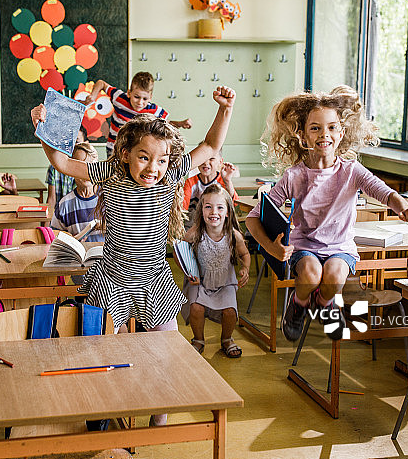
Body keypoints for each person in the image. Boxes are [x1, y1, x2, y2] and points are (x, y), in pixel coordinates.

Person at [32, 86, 235, 426]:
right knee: (103, 347)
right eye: (144, 156)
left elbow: (211, 146)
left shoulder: (170, 174)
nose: (153, 167)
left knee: (165, 348)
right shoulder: (110, 173)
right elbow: (63, 162)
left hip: (154, 275)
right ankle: (104, 412)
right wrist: (44, 129)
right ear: (125, 153)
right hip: (113, 274)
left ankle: (158, 416)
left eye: (161, 159)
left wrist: (225, 109)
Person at [245, 85, 408, 342]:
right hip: (305, 245)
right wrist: (271, 249)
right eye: (315, 128)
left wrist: (403, 206)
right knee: (310, 274)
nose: (324, 134)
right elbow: (253, 218)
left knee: (335, 276)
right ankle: (299, 303)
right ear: (303, 137)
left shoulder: (352, 171)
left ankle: (324, 303)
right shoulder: (294, 176)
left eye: (331, 127)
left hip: (340, 247)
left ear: (341, 133)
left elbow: (383, 192)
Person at [181, 184, 251, 357]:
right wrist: (189, 272)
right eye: (208, 207)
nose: (214, 212)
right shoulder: (196, 232)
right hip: (201, 280)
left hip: (225, 281)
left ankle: (227, 339)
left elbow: (245, 254)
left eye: (220, 207)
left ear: (227, 212)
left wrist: (245, 268)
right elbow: (180, 250)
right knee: (196, 307)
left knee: (230, 312)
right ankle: (198, 339)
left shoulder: (233, 234)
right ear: (201, 211)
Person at [86, 72, 192, 157]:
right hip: (114, 148)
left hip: (137, 151)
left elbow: (167, 123)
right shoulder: (119, 99)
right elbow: (101, 83)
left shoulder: (153, 110)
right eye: (136, 97)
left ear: (150, 97)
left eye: (145, 99)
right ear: (129, 93)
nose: (140, 102)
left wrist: (181, 123)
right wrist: (92, 96)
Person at [50, 141, 103, 242]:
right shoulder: (64, 205)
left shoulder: (110, 198)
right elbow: (55, 239)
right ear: (71, 170)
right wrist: (69, 241)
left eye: (92, 166)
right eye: (81, 166)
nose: (88, 172)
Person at [46, 127, 86, 220]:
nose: (73, 146)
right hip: (60, 216)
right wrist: (47, 225)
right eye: (69, 142)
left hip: (80, 216)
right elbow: (51, 199)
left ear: (85, 144)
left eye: (77, 141)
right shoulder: (54, 168)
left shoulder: (88, 169)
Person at [182, 147, 239, 211]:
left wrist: (227, 181)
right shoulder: (190, 182)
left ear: (220, 162)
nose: (206, 163)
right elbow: (183, 208)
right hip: (195, 220)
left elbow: (233, 204)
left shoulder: (224, 180)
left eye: (211, 159)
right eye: (202, 158)